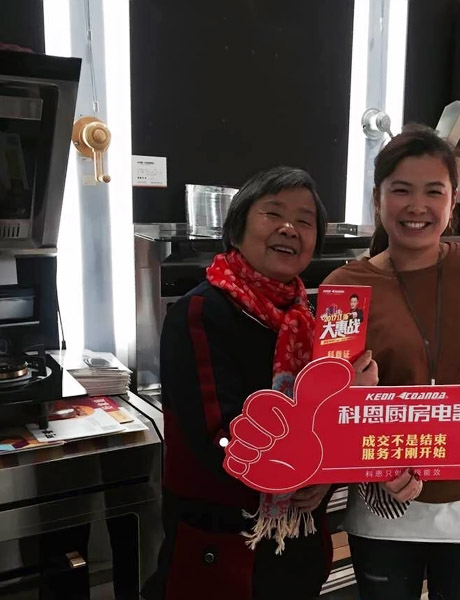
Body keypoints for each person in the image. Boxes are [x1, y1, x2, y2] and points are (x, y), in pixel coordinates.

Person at [322, 125, 460, 600]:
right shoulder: (345, 288)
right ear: (377, 199)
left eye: (433, 191)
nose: (416, 206)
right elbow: (330, 408)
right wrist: (369, 447)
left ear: (452, 201)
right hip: (385, 505)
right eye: (401, 190)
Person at [143, 166, 378, 600]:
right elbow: (220, 437)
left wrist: (351, 406)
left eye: (305, 220)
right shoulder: (201, 313)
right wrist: (309, 468)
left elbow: (330, 423)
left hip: (297, 541)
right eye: (273, 213)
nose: (290, 228)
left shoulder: (310, 321)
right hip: (223, 543)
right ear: (237, 228)